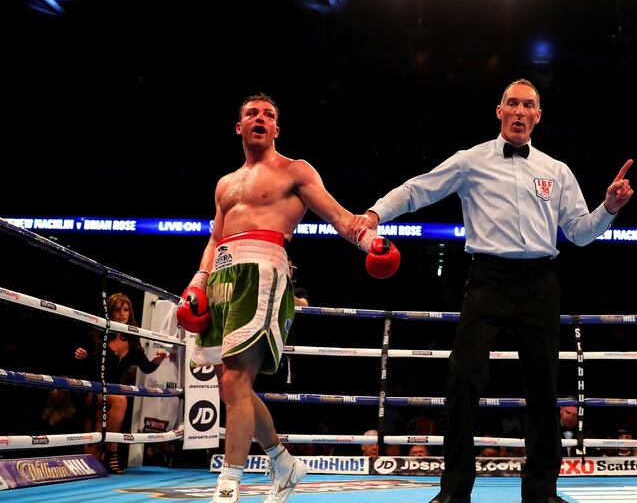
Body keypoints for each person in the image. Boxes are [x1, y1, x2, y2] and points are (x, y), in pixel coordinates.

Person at [358, 79, 634, 503]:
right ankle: (453, 491)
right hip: (487, 278)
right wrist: (377, 212)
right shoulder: (472, 160)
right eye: (513, 104)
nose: (520, 112)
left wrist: (609, 209)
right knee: (462, 378)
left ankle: (541, 492)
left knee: (542, 387)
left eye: (529, 105)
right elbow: (418, 189)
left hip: (540, 281)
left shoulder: (556, 170)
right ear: (500, 111)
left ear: (538, 116)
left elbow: (579, 234)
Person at [178, 93, 399, 503]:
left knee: (238, 378)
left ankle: (228, 486)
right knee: (231, 384)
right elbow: (215, 237)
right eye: (252, 114)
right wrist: (197, 281)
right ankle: (283, 462)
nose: (260, 118)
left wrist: (371, 240)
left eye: (269, 115)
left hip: (263, 270)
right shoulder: (225, 183)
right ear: (239, 127)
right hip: (222, 275)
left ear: (277, 129)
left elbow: (338, 216)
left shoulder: (295, 171)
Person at [74, 292, 168, 472]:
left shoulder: (132, 339)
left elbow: (147, 368)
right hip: (94, 391)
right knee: (120, 400)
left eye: (126, 309)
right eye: (117, 309)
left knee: (119, 400)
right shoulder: (98, 334)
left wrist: (159, 359)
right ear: (110, 311)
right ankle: (112, 454)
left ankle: (108, 453)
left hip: (114, 395)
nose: (122, 313)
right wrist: (81, 354)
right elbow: (82, 357)